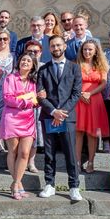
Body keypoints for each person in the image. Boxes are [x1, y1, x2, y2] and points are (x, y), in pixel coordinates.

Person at [37, 35, 83, 202]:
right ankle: (49, 184)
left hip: (67, 117)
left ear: (64, 46)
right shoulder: (43, 69)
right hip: (49, 116)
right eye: (52, 46)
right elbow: (40, 95)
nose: (56, 48)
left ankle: (74, 186)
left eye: (58, 45)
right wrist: (53, 111)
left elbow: (76, 93)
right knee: (49, 153)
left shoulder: (74, 68)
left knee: (71, 153)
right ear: (49, 49)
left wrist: (61, 112)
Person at [1, 53, 38, 199]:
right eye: (23, 59)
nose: (25, 62)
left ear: (33, 65)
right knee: (14, 152)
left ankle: (15, 183)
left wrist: (27, 100)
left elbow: (36, 100)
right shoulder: (10, 78)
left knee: (25, 153)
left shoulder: (33, 81)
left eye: (29, 61)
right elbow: (7, 98)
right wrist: (26, 101)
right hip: (12, 118)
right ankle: (18, 185)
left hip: (28, 120)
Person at [75, 40, 109, 173]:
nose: (87, 52)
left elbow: (103, 84)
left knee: (93, 133)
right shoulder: (76, 64)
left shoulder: (101, 65)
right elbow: (71, 82)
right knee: (78, 132)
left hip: (95, 100)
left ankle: (91, 162)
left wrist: (90, 93)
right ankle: (77, 162)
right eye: (85, 49)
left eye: (90, 49)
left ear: (96, 51)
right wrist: (80, 94)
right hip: (79, 100)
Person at [24, 41, 44, 173]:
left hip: (38, 107)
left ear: (40, 53)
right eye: (29, 52)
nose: (32, 54)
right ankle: (22, 160)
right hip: (23, 106)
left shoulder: (44, 67)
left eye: (35, 52)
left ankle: (31, 162)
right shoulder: (21, 66)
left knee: (35, 134)